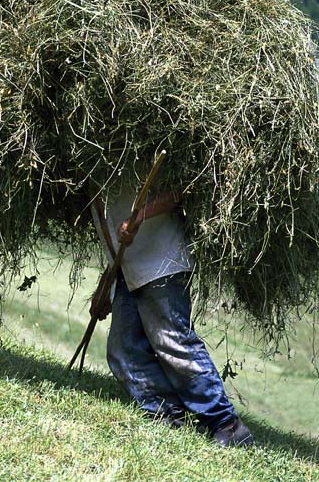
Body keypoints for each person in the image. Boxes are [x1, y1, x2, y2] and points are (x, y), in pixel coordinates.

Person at [90, 184, 253, 447]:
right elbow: (111, 236)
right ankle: (169, 414)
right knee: (123, 350)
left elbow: (181, 190)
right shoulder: (94, 176)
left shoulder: (135, 151)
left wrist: (141, 215)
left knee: (173, 342)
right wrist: (106, 285)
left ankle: (227, 424)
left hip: (162, 263)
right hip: (128, 272)